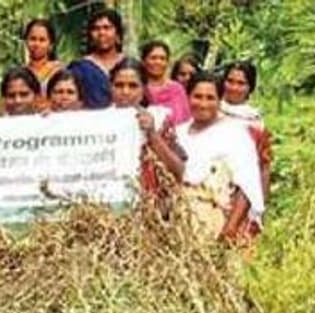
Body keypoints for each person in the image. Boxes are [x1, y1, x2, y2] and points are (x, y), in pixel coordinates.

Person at [147, 71, 264, 247]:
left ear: (220, 100)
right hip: (176, 224)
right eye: (197, 96)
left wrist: (229, 231)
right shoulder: (178, 133)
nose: (203, 104)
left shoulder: (235, 134)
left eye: (210, 98)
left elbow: (247, 188)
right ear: (188, 97)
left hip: (215, 222)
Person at [111, 59, 177, 199]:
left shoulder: (160, 121)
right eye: (119, 85)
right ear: (110, 87)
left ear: (143, 89)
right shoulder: (97, 122)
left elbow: (179, 171)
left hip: (150, 208)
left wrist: (152, 134)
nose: (125, 92)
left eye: (133, 86)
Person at [220, 60, 271, 203]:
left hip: (241, 193)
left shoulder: (255, 122)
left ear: (250, 88)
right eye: (230, 81)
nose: (234, 87)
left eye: (241, 83)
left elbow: (263, 165)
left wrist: (261, 203)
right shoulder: (209, 111)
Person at [66, 7, 128, 110]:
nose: (101, 33)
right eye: (96, 28)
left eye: (107, 28)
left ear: (118, 34)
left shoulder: (130, 65)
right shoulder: (79, 68)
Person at [141, 41, 190, 124]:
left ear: (167, 62)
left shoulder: (177, 89)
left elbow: (185, 120)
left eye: (162, 58)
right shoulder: (137, 87)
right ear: (143, 61)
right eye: (153, 58)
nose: (158, 62)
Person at [23, 19, 62, 90]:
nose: (37, 44)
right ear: (26, 41)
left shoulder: (59, 71)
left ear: (51, 45)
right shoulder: (21, 73)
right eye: (33, 39)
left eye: (42, 40)